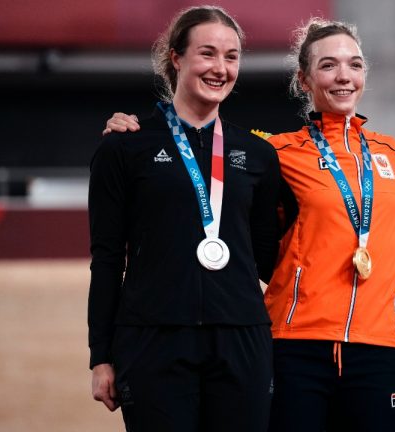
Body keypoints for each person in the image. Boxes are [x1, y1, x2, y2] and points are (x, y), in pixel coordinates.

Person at [102, 17, 395, 432]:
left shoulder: (394, 154)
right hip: (294, 341)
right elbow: (247, 227)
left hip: (376, 345)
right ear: (303, 79)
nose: (344, 76)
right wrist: (134, 130)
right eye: (328, 65)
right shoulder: (274, 153)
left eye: (354, 64)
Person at [88, 6, 280, 431]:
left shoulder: (258, 155)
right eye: (207, 53)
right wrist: (100, 355)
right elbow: (106, 258)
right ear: (175, 58)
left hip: (241, 340)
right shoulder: (124, 147)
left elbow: (271, 258)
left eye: (231, 56)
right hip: (153, 340)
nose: (220, 68)